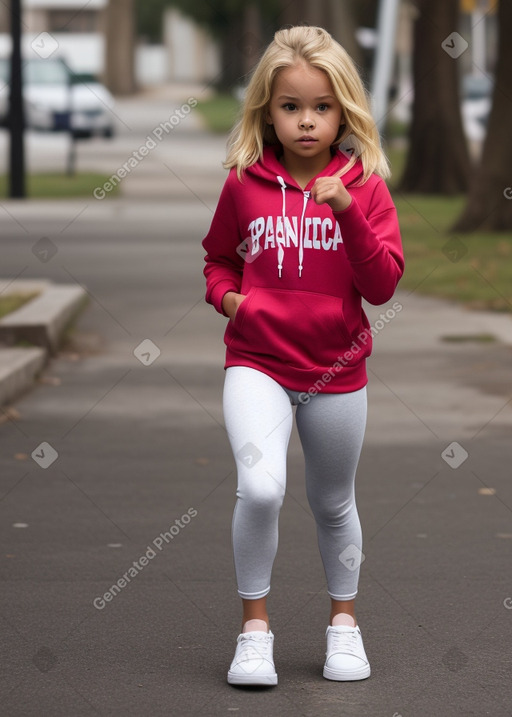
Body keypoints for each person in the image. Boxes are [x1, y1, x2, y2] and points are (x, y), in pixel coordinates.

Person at [202, 25, 404, 687]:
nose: (307, 120)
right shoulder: (244, 183)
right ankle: (253, 629)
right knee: (260, 486)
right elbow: (219, 260)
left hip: (337, 370)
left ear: (343, 109)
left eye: (321, 106)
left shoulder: (366, 186)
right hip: (256, 361)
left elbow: (382, 285)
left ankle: (343, 624)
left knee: (332, 501)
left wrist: (346, 209)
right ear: (268, 109)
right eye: (291, 106)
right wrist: (234, 302)